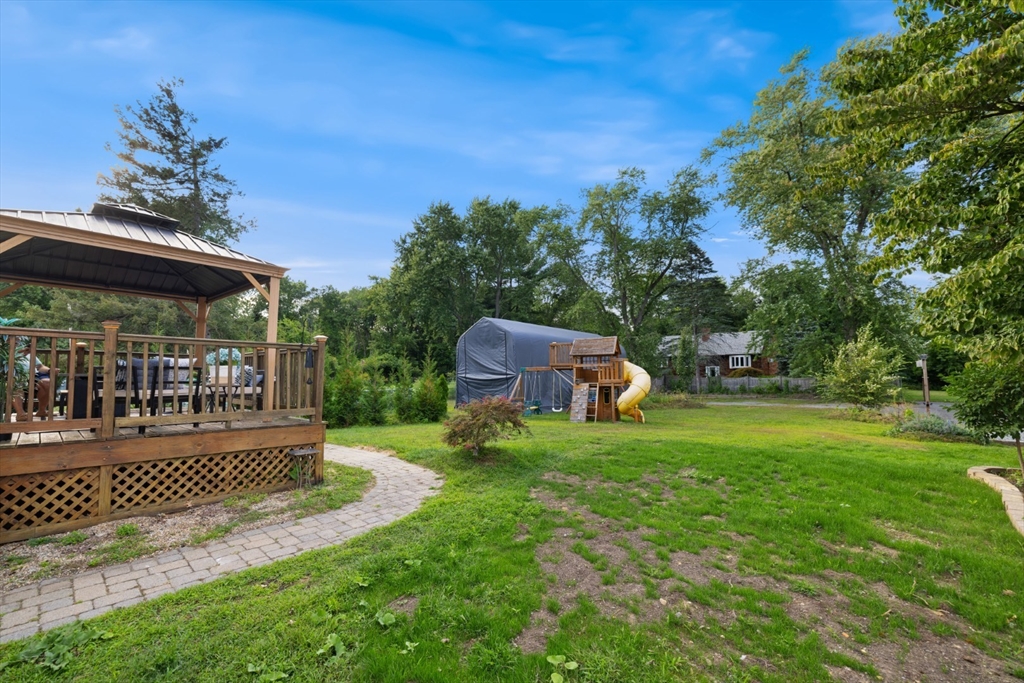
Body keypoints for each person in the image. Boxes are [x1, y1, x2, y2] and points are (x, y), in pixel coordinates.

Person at [13, 353, 50, 422]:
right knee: (16, 385)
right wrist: (23, 352)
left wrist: (49, 370)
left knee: (47, 382)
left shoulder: (29, 354)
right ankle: (20, 413)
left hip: (34, 375)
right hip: (17, 375)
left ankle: (42, 411)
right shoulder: (7, 350)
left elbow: (40, 367)